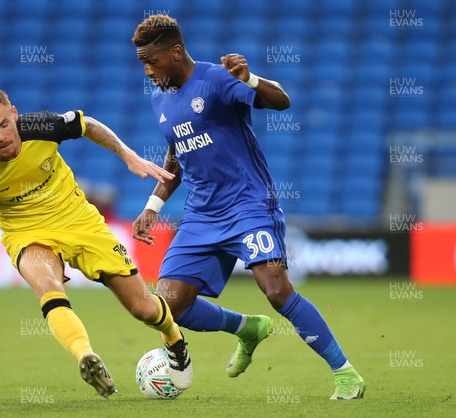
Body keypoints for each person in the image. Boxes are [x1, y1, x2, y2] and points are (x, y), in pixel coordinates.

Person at [131, 15, 364, 400]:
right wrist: (153, 205)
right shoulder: (160, 99)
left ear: (175, 52)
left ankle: (346, 374)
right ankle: (246, 329)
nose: (147, 70)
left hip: (248, 206)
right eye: (142, 62)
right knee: (168, 307)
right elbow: (177, 153)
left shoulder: (216, 80)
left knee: (276, 291)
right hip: (201, 215)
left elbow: (281, 100)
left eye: (151, 61)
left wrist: (251, 78)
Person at [0, 87, 192, 398]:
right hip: (27, 234)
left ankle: (174, 339)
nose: (0, 137)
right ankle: (86, 357)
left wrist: (126, 154)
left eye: (4, 124)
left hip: (79, 220)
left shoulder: (41, 127)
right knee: (47, 285)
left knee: (143, 308)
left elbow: (87, 125)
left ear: (14, 114)